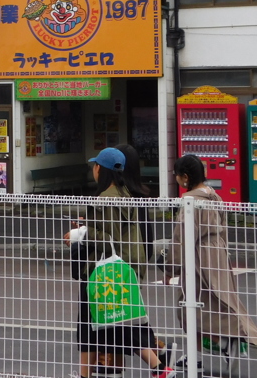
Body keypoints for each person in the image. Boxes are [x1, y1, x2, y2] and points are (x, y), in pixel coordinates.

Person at [64, 148, 172, 378]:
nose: (93, 169)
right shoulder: (126, 194)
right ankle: (158, 368)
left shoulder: (105, 199)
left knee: (91, 322)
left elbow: (108, 239)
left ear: (100, 169)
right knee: (120, 323)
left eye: (95, 165)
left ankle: (157, 368)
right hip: (127, 269)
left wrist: (80, 234)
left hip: (102, 272)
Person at [168, 154, 257, 365]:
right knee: (222, 303)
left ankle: (211, 349)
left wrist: (171, 267)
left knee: (188, 306)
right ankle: (225, 342)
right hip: (217, 255)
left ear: (185, 177)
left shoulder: (191, 202)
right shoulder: (214, 196)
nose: (176, 179)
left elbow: (182, 237)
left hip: (198, 259)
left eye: (177, 175)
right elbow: (223, 228)